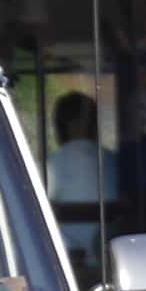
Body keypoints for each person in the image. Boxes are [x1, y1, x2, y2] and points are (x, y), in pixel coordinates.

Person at [44, 92, 109, 260]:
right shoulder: (118, 163)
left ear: (63, 125)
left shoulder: (51, 165)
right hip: (110, 264)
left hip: (66, 266)